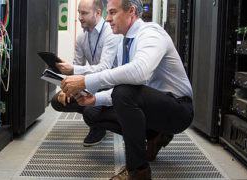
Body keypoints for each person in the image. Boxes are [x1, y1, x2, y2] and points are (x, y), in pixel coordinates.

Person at [60, 0, 194, 179]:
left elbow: (139, 73)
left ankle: (138, 171)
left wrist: (85, 81)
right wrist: (95, 99)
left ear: (131, 12)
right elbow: (129, 87)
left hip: (179, 110)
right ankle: (155, 135)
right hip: (153, 108)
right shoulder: (125, 42)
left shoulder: (150, 33)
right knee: (92, 112)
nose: (107, 19)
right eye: (107, 13)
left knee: (123, 93)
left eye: (113, 13)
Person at [52, 0, 121, 147]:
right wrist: (67, 88)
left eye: (84, 13)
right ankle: (97, 115)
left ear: (97, 13)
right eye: (79, 12)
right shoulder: (82, 37)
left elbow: (104, 68)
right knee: (57, 101)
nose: (80, 17)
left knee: (91, 112)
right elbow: (77, 65)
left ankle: (102, 122)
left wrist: (73, 70)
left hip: (112, 85)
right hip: (93, 83)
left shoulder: (111, 33)